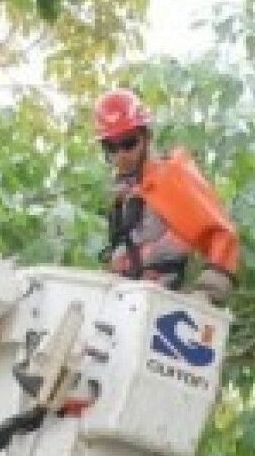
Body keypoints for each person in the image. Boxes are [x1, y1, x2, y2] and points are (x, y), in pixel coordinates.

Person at [93, 88, 239, 304]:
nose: (121, 154)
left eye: (128, 143)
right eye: (111, 147)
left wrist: (208, 291)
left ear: (146, 137)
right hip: (128, 300)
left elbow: (221, 233)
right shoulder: (124, 193)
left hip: (161, 302)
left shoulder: (171, 175)